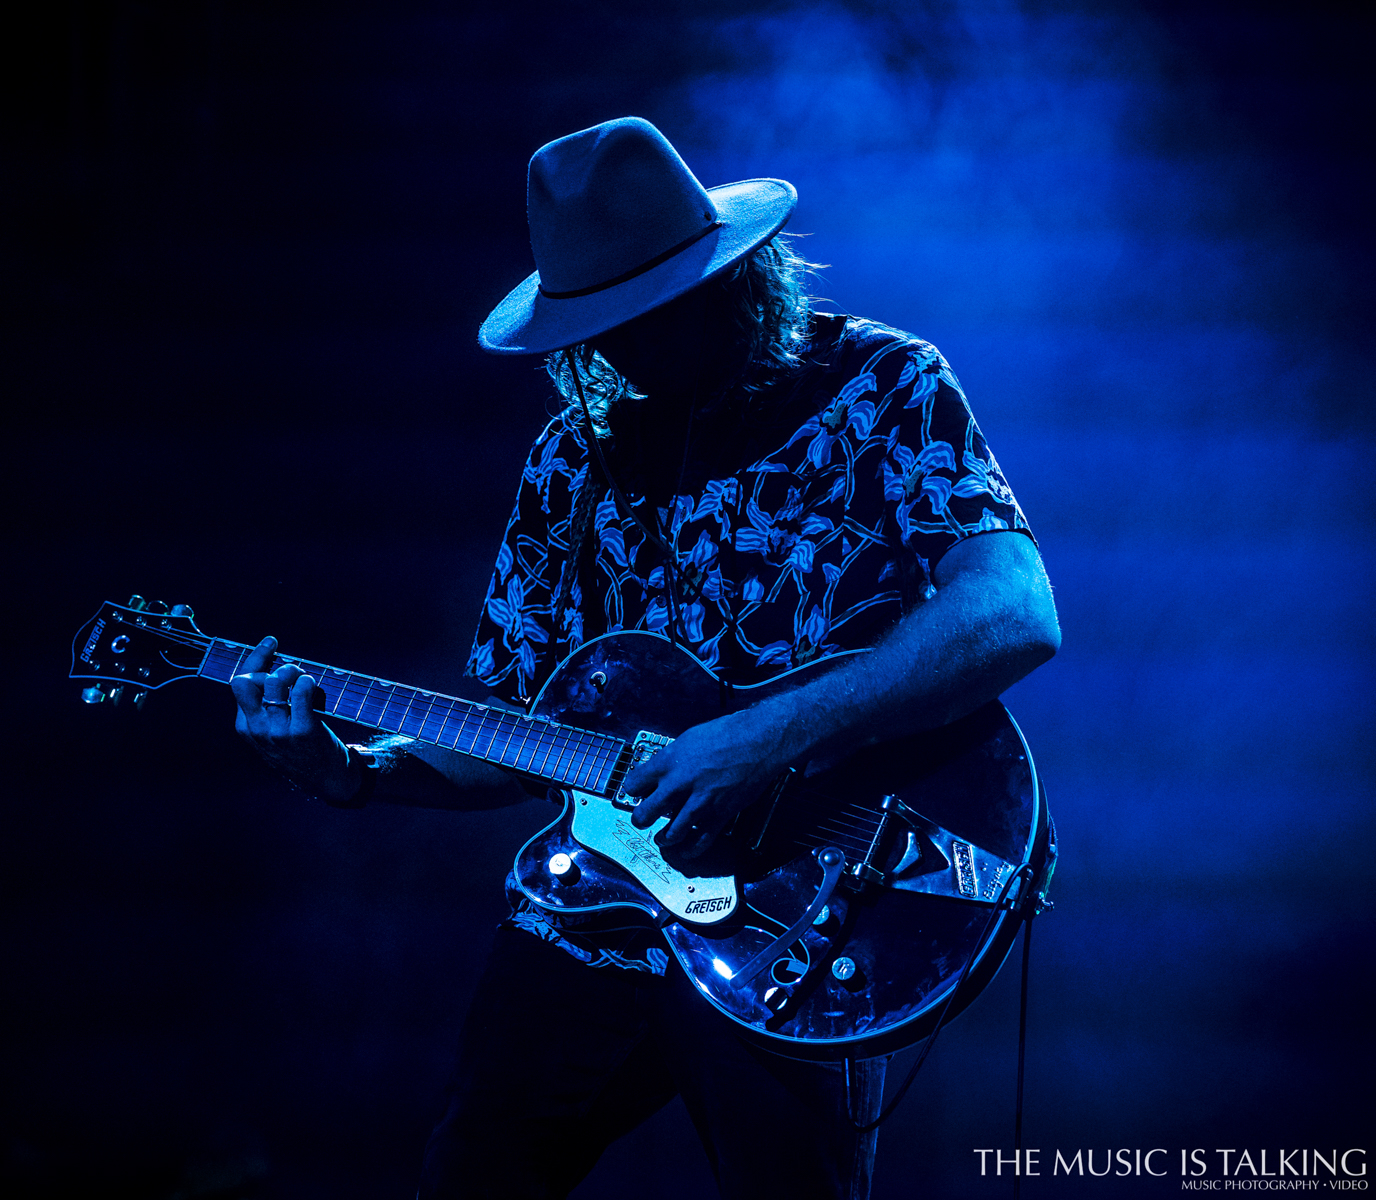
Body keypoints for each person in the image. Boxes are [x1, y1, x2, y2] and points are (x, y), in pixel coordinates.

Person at [228, 117, 1060, 1200]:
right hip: (596, 910)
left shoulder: (880, 385)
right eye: (603, 325)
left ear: (735, 277)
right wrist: (354, 771)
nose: (629, 349)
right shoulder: (571, 457)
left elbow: (1013, 612)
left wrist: (760, 740)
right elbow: (523, 733)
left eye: (659, 311)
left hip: (812, 900)